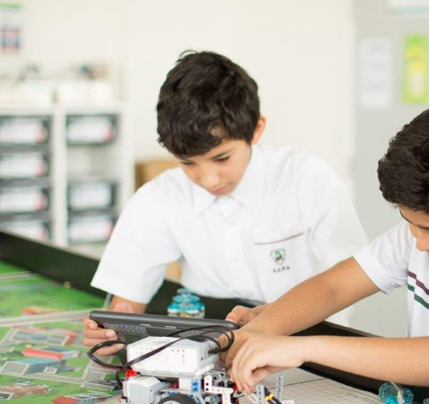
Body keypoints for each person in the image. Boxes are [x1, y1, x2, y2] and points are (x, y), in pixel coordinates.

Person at [224, 104, 429, 392]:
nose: (421, 243)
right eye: (411, 223)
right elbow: (334, 287)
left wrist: (300, 349)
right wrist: (256, 333)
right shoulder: (421, 233)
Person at [83, 51, 366, 355]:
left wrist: (269, 327)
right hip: (209, 350)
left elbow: (351, 279)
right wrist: (111, 331)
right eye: (188, 163)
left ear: (256, 129)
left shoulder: (305, 176)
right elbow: (126, 304)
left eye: (222, 158)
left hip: (308, 346)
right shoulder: (159, 197)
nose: (208, 179)